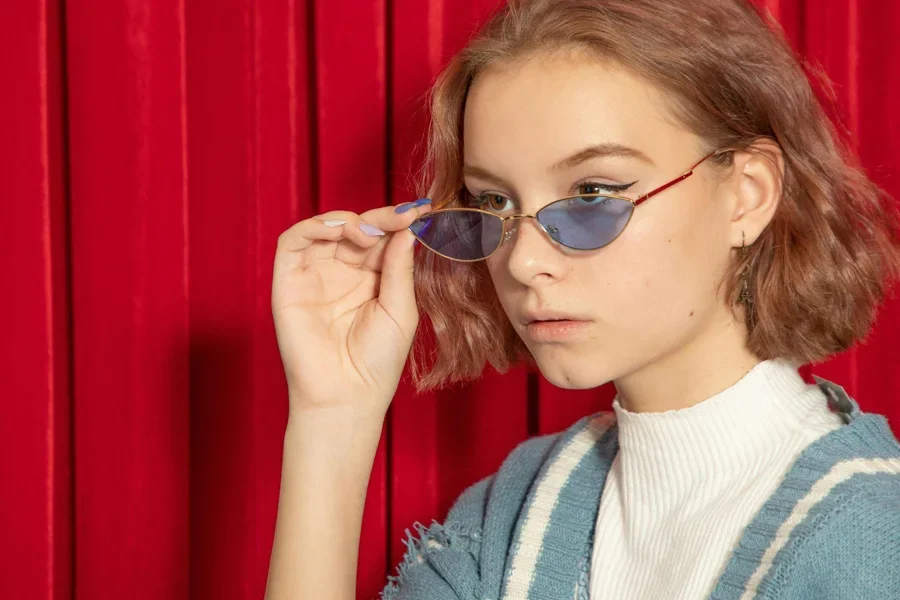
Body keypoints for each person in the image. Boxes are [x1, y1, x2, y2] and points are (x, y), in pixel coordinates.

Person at [263, 0, 900, 598]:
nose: (523, 260)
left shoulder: (870, 539)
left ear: (748, 194)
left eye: (592, 194)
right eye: (494, 202)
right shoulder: (517, 513)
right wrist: (331, 418)